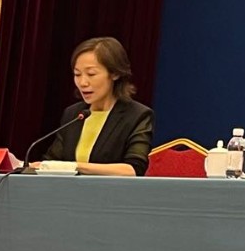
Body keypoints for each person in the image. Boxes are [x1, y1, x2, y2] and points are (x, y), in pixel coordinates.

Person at [35, 36, 155, 176]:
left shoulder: (137, 115)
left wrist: (76, 166)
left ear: (115, 73)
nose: (83, 82)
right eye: (77, 74)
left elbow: (133, 170)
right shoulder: (73, 114)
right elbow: (51, 161)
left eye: (91, 74)